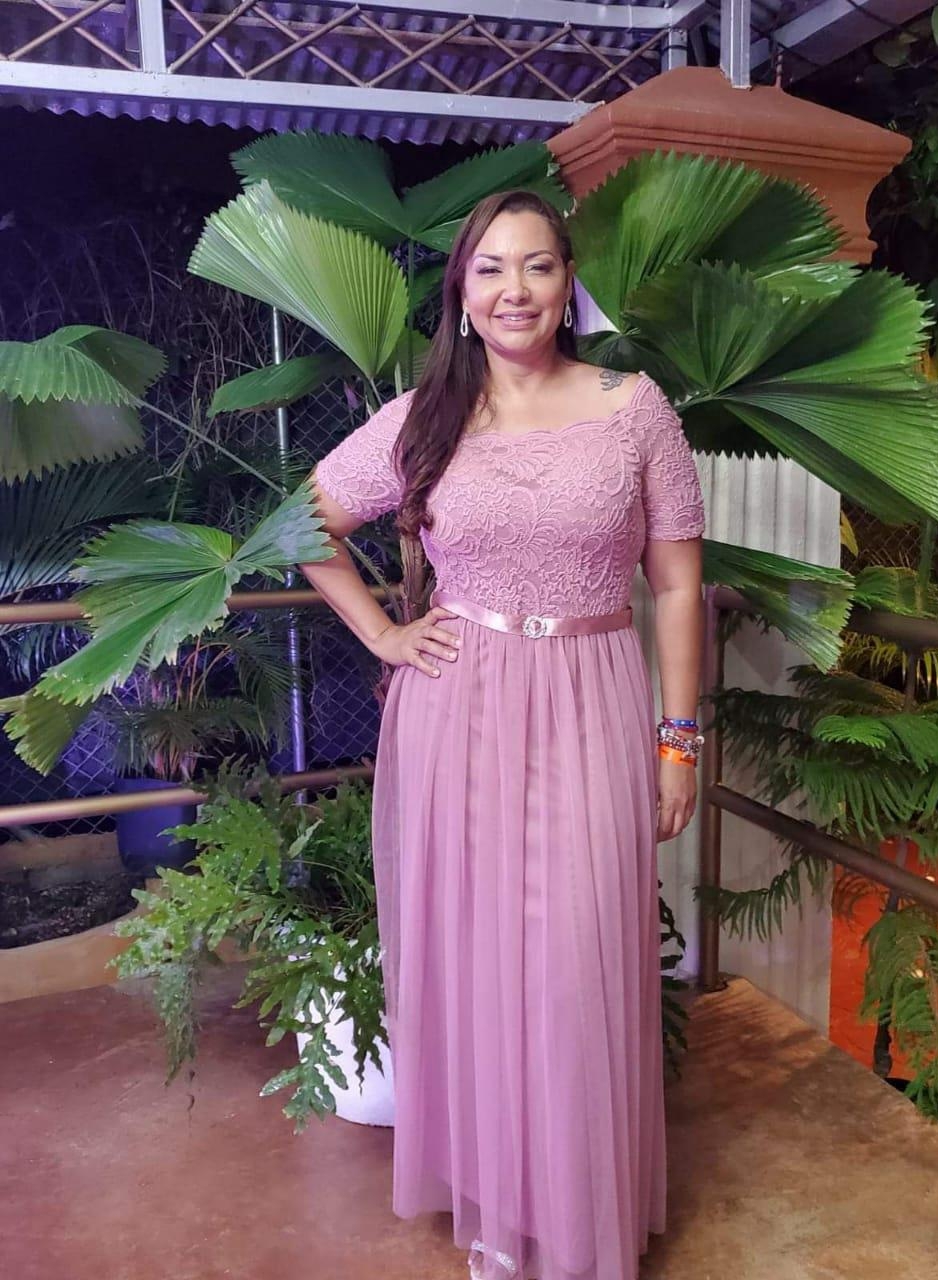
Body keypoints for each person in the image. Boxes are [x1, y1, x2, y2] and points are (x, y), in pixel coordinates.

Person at [302, 189, 705, 1280]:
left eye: (536, 266)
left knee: (575, 962)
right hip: (460, 706)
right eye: (489, 268)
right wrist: (384, 633)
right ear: (462, 292)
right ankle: (499, 1211)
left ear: (568, 283)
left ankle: (574, 1216)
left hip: (591, 699)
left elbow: (677, 586)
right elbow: (305, 522)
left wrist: (678, 740)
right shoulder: (426, 416)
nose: (513, 289)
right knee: (479, 963)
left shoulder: (635, 410)